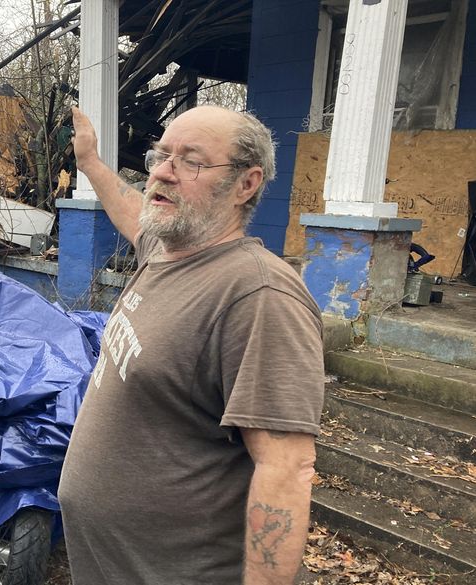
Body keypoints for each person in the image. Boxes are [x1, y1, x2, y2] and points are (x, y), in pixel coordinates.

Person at [57, 105, 325, 585]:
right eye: (161, 155)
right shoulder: (168, 253)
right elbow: (132, 213)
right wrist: (91, 162)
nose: (161, 171)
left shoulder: (258, 296)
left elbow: (285, 466)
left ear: (246, 184)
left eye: (190, 161)